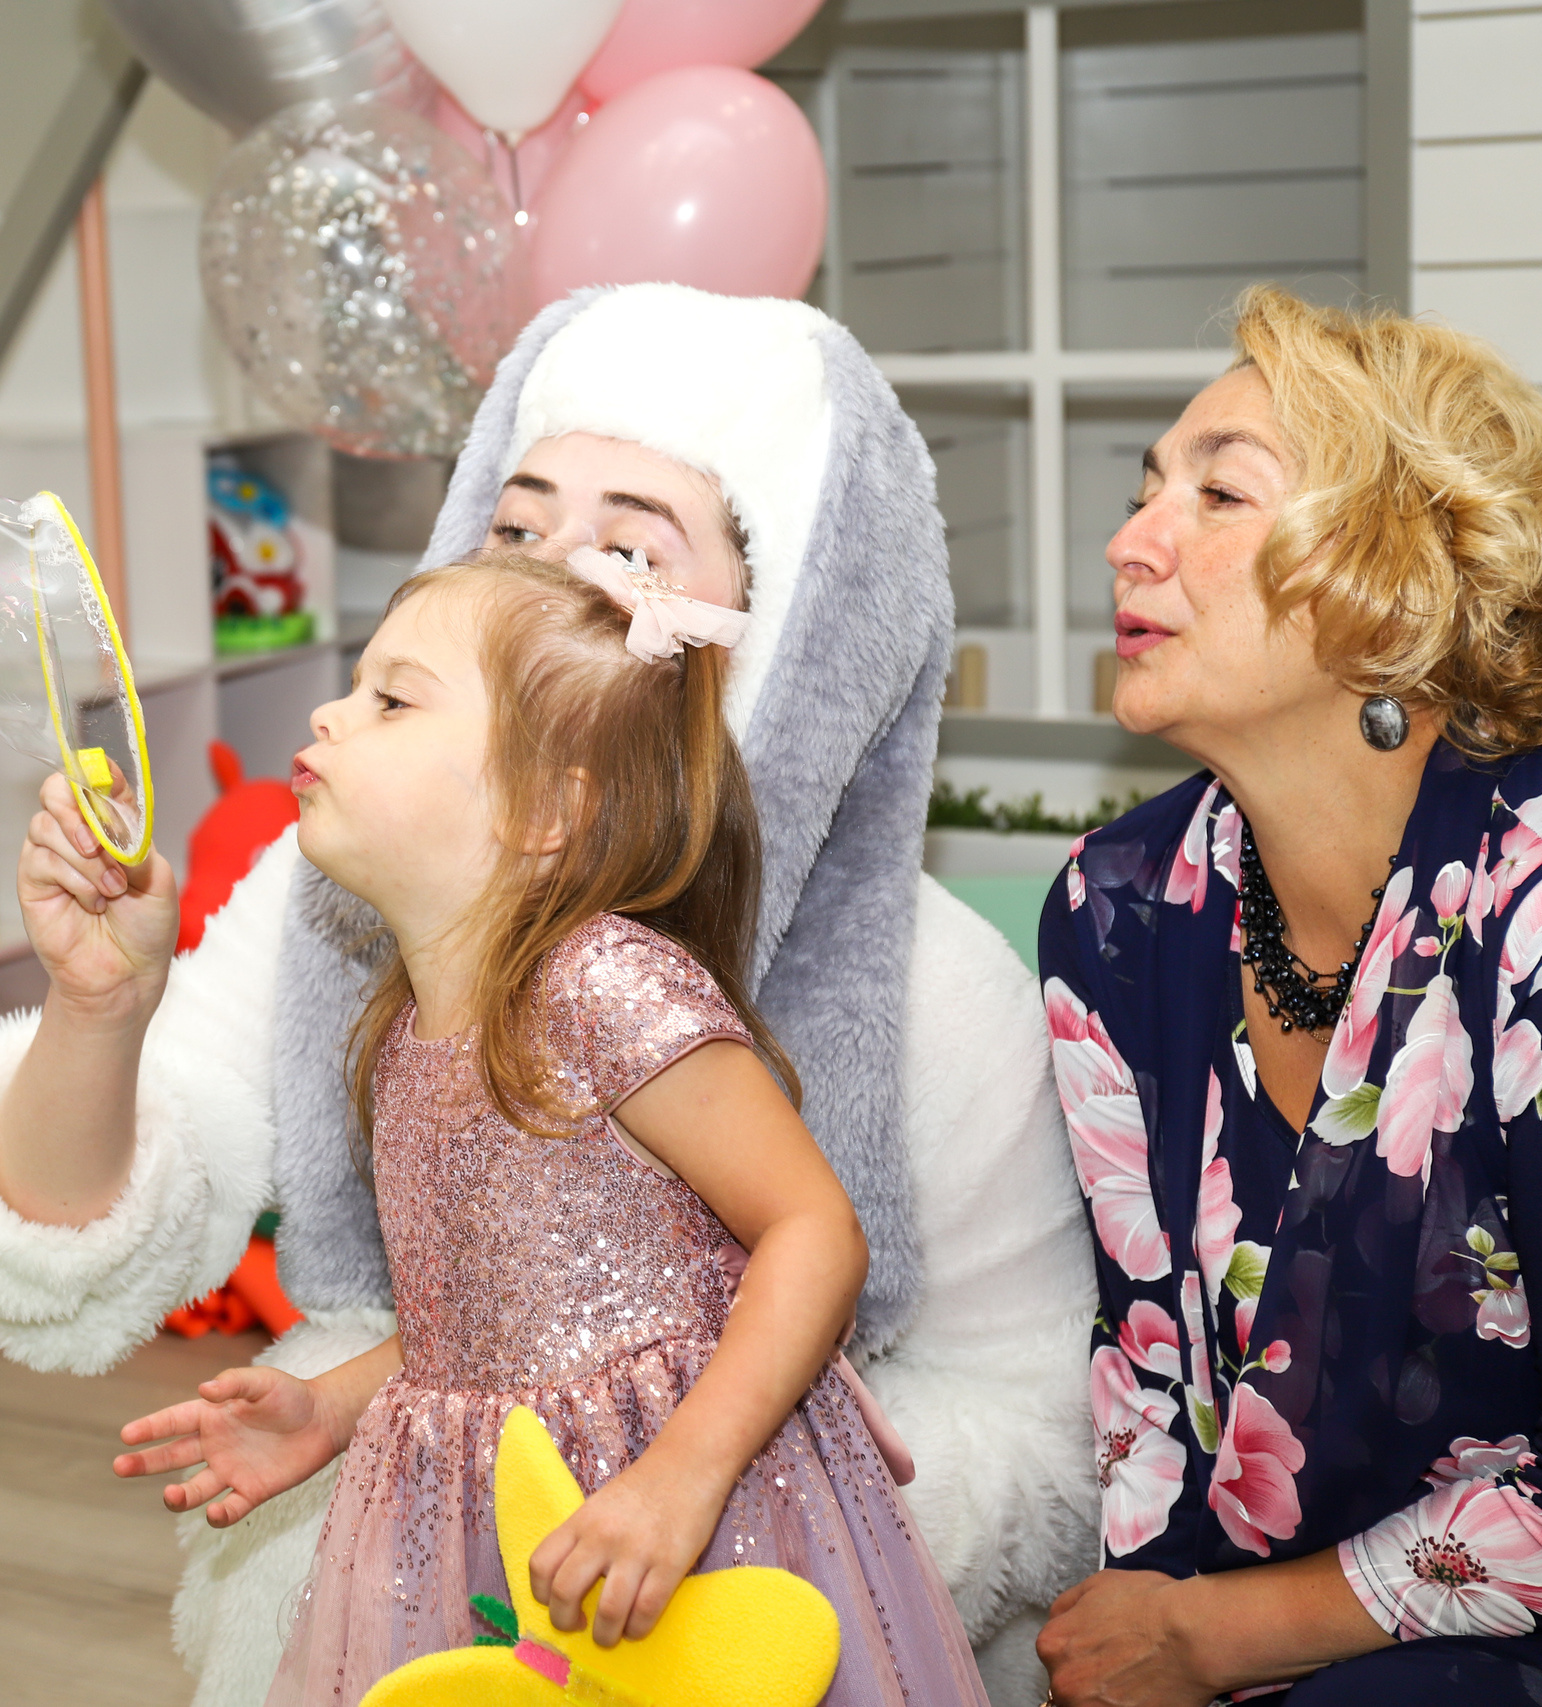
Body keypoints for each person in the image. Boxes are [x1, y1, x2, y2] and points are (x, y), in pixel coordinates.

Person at [0, 283, 1097, 1703]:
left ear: (778, 629)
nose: (545, 576)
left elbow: (854, 1272)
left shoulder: (695, 983)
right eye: (517, 525)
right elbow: (483, 1295)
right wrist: (105, 1012)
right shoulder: (389, 963)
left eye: (622, 549)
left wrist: (713, 1478)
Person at [100, 548, 990, 1704]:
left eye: (391, 697)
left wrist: (680, 1477)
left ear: (543, 810)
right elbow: (483, 1321)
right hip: (487, 1518)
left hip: (674, 1517)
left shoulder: (602, 984)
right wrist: (326, 1408)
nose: (331, 709)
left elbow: (814, 1231)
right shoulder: (409, 1029)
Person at [1035, 285, 1542, 1705]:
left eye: (1218, 492)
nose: (1131, 540)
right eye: (1150, 488)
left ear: (1394, 572)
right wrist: (1154, 1637)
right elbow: (1150, 1366)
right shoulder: (1118, 903)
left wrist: (1220, 1639)